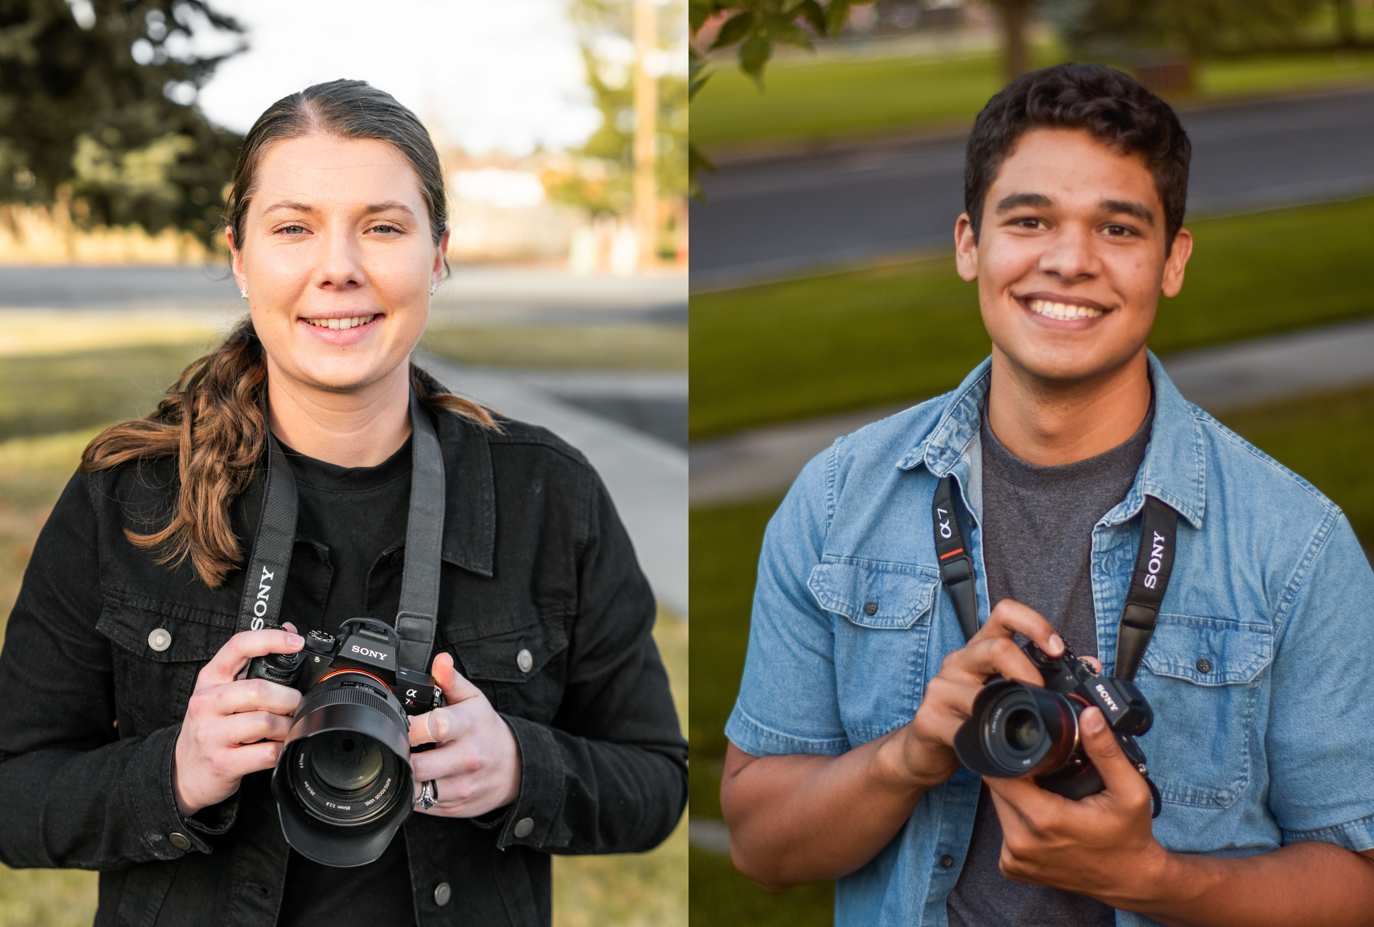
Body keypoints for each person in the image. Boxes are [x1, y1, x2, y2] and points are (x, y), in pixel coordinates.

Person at [0, 80, 686, 927]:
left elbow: (657, 782)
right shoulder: (130, 497)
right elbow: (14, 790)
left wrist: (518, 767)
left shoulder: (548, 494)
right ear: (240, 259)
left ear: (438, 254)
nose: (339, 267)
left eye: (383, 227)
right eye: (293, 228)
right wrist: (173, 773)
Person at [720, 64, 1374, 927]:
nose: (1069, 261)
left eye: (1119, 228)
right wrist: (911, 753)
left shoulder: (1296, 542)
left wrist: (1154, 879)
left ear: (1172, 261)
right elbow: (762, 846)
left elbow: (1357, 880)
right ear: (969, 244)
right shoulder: (839, 499)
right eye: (1030, 220)